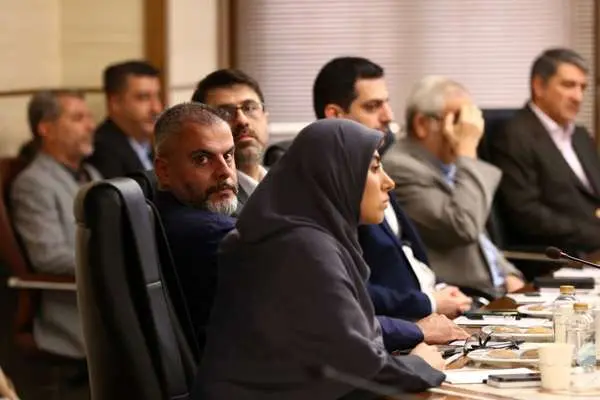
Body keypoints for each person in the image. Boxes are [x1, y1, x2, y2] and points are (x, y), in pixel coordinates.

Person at [194, 119, 445, 399]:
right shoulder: (301, 247)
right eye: (375, 168)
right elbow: (356, 365)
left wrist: (414, 336)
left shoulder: (307, 236)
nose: (389, 182)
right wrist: (419, 365)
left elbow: (348, 331)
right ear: (336, 174)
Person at [314, 57, 471, 333]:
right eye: (372, 106)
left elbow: (409, 255)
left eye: (386, 103)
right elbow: (351, 291)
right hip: (401, 328)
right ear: (335, 115)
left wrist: (440, 290)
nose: (388, 115)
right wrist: (428, 302)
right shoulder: (328, 185)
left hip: (433, 313)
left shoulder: (377, 163)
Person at [384, 75, 525, 297]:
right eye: (459, 119)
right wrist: (467, 152)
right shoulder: (401, 168)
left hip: (497, 291)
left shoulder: (448, 165)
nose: (470, 130)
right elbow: (463, 226)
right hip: (464, 296)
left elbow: (480, 238)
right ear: (422, 124)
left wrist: (507, 273)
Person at [10, 89, 100, 399]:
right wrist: (113, 261)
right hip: (69, 310)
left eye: (88, 117)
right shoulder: (33, 183)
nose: (91, 125)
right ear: (45, 128)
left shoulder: (90, 173)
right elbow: (48, 257)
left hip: (103, 296)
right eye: (78, 118)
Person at [489, 48, 600, 254]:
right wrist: (594, 234)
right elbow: (527, 215)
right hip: (562, 255)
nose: (578, 97)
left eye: (582, 87)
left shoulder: (581, 135)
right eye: (568, 85)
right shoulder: (514, 135)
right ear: (539, 86)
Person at [153, 102, 237, 350]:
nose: (224, 172)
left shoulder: (167, 212)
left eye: (228, 156)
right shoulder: (214, 234)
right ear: (164, 171)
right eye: (202, 159)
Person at [192, 69, 269, 205]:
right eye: (225, 112)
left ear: (265, 117)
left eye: (250, 108)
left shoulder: (291, 180)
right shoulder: (208, 200)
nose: (242, 120)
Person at [88, 60, 163, 178]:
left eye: (157, 96)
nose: (157, 108)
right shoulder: (101, 150)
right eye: (144, 97)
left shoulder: (150, 144)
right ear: (115, 103)